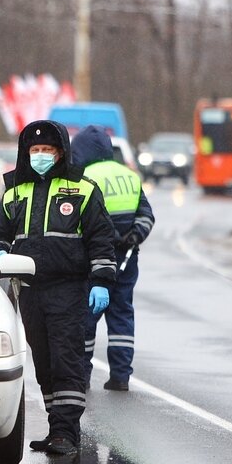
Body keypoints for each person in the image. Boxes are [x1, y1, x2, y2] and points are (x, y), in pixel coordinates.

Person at [0, 120, 118, 455]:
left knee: (66, 358)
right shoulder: (15, 191)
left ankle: (66, 432)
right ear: (26, 153)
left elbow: (102, 239)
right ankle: (54, 426)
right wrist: (1, 251)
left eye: (47, 150)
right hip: (29, 290)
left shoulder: (82, 189)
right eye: (35, 150)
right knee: (43, 361)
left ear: (60, 152)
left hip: (67, 289)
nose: (41, 155)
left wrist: (101, 281)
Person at [71, 125, 155, 392]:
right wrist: (134, 236)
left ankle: (82, 375)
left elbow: (76, 221)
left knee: (86, 317)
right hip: (127, 258)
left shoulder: (82, 177)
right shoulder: (129, 176)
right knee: (121, 316)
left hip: (93, 260)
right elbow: (146, 215)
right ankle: (120, 376)